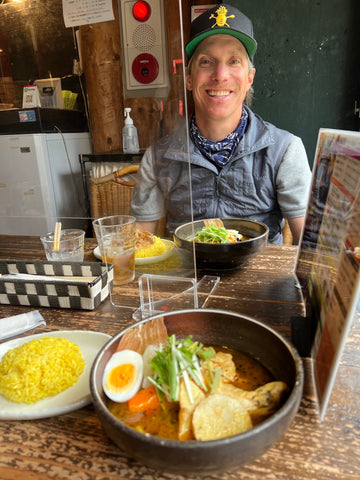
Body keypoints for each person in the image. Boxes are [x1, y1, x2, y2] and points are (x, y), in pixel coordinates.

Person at [131, 4, 311, 244]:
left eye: (234, 61)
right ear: (189, 78)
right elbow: (140, 246)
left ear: (249, 78)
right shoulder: (158, 157)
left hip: (261, 280)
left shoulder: (285, 150)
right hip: (187, 279)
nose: (220, 75)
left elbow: (312, 252)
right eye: (206, 62)